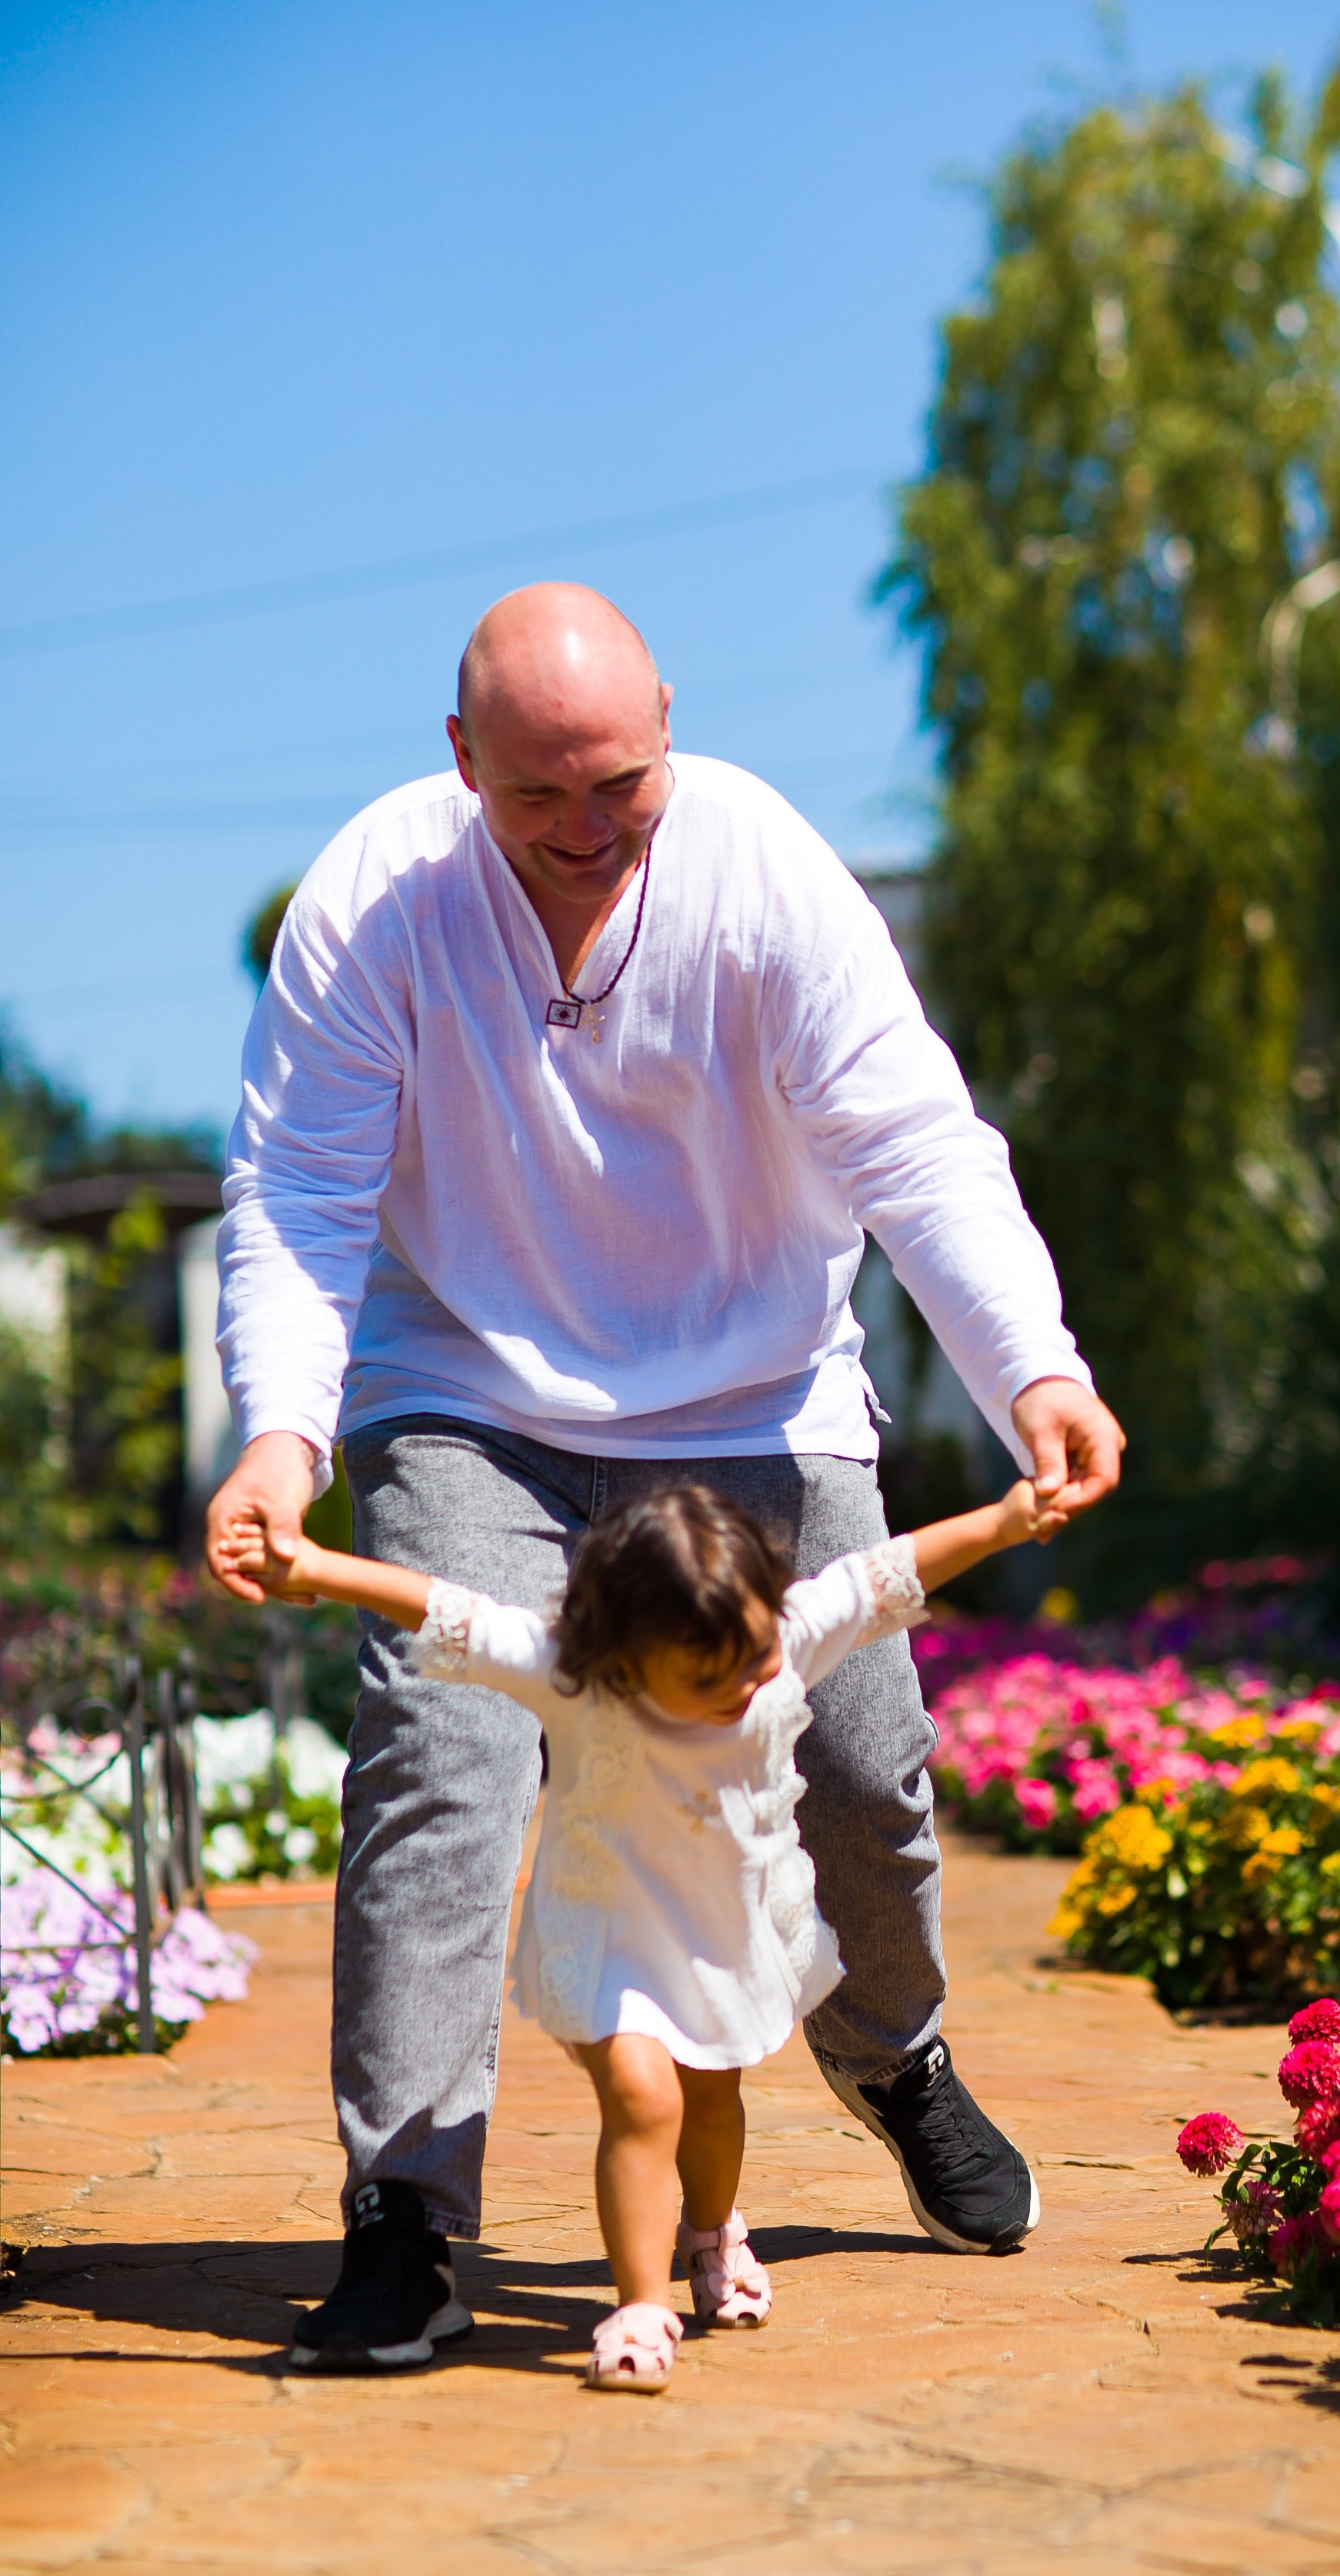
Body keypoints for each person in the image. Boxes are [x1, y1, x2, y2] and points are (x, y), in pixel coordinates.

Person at [207, 580, 1124, 2372]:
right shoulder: (375, 902)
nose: (579, 833)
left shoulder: (766, 878)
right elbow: (300, 1196)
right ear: (461, 759)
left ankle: (896, 2053)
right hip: (472, 1394)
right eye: (534, 797)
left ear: (669, 734)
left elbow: (914, 1141)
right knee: (437, 1748)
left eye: (616, 785)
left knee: (861, 1769)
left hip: (761, 1402)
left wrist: (1035, 1365)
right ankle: (404, 2207)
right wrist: (283, 1434)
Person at [218, 1475, 1075, 2386]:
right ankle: (638, 2304)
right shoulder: (573, 1674)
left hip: (725, 1932)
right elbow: (448, 1608)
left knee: (710, 2100)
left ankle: (713, 2232)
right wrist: (318, 1566)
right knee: (642, 2097)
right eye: (712, 1675)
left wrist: (1005, 1521)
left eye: (753, 1656)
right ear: (628, 1653)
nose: (748, 1683)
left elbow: (885, 1573)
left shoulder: (775, 1646)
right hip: (610, 1933)